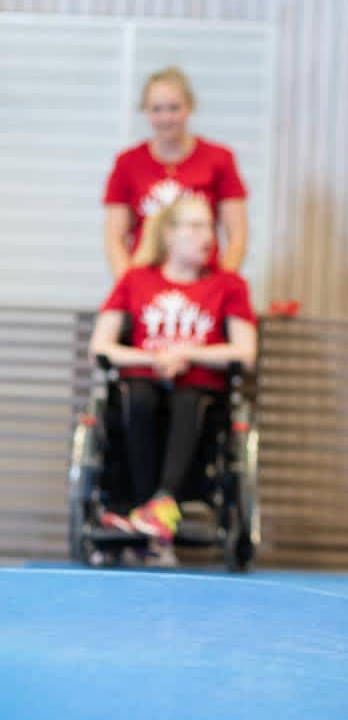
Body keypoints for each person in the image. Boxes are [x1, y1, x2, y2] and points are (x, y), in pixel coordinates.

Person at [90, 195, 257, 564]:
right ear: (168, 234)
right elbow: (101, 345)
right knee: (139, 395)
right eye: (195, 226)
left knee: (188, 399)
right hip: (142, 386)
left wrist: (186, 354)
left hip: (200, 393)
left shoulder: (228, 285)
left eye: (210, 226)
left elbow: (245, 351)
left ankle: (160, 506)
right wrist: (154, 357)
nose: (208, 236)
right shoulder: (135, 280)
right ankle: (141, 507)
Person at [103, 66, 248, 278]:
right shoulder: (127, 163)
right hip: (146, 278)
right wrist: (130, 287)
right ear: (145, 111)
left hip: (202, 279)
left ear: (189, 107)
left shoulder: (219, 159)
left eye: (174, 108)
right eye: (157, 109)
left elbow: (237, 233)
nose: (166, 118)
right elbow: (114, 237)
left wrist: (222, 285)